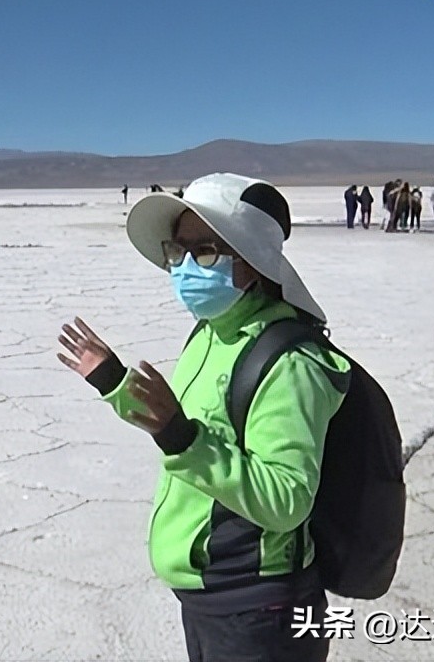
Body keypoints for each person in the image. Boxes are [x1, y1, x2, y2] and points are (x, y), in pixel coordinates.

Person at [59, 173, 348, 662]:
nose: (187, 266)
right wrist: (113, 381)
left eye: (207, 251)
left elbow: (285, 500)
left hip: (260, 606)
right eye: (179, 250)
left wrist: (180, 437)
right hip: (211, 595)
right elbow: (182, 426)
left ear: (253, 262)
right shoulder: (213, 333)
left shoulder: (288, 362)